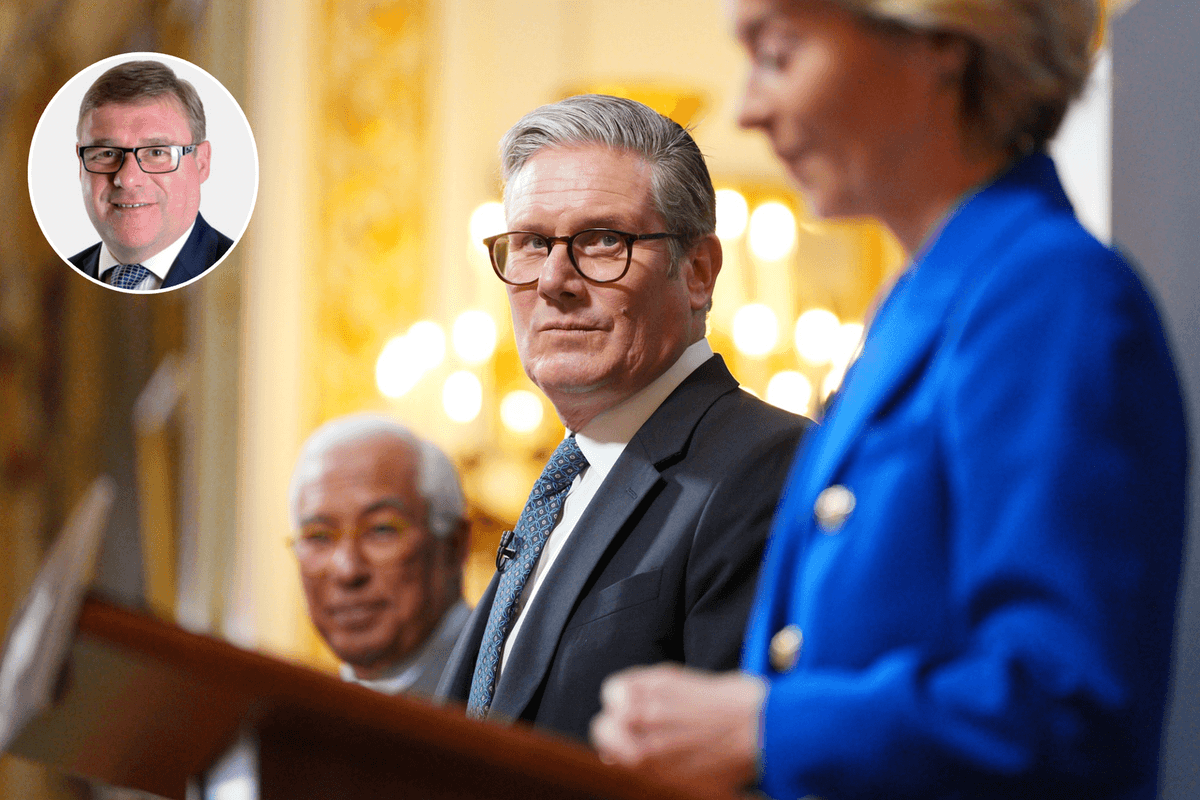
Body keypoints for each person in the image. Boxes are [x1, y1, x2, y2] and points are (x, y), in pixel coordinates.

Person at [590, 2, 1188, 799]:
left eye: (778, 54)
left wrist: (762, 729)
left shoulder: (1052, 296)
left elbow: (1070, 708)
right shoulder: (916, 304)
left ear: (939, 42)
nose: (747, 110)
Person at [435, 95, 811, 742]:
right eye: (531, 243)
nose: (554, 280)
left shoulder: (769, 467)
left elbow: (735, 765)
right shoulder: (564, 484)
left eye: (603, 240)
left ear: (698, 272)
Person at [289, 415, 471, 697]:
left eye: (381, 530)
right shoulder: (289, 710)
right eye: (319, 536)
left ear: (453, 546)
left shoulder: (510, 694)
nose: (348, 570)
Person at [70, 60, 232, 290]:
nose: (128, 179)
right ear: (81, 165)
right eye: (107, 153)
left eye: (157, 152)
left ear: (202, 163)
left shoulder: (248, 277)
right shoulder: (51, 284)